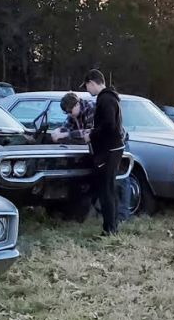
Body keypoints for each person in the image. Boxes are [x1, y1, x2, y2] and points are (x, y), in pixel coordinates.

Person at [51, 92, 132, 222]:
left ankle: (123, 216)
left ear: (77, 104)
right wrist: (58, 132)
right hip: (101, 149)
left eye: (70, 110)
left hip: (117, 145)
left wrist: (66, 135)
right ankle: (97, 214)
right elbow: (67, 128)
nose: (70, 114)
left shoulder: (92, 110)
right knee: (101, 181)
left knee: (120, 180)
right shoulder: (73, 116)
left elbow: (89, 133)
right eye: (67, 112)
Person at [84, 69, 125, 235]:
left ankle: (109, 229)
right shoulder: (111, 97)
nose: (87, 90)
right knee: (110, 188)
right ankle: (113, 226)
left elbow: (109, 125)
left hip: (109, 150)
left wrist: (92, 134)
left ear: (92, 83)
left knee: (106, 190)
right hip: (114, 148)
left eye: (87, 86)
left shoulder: (106, 99)